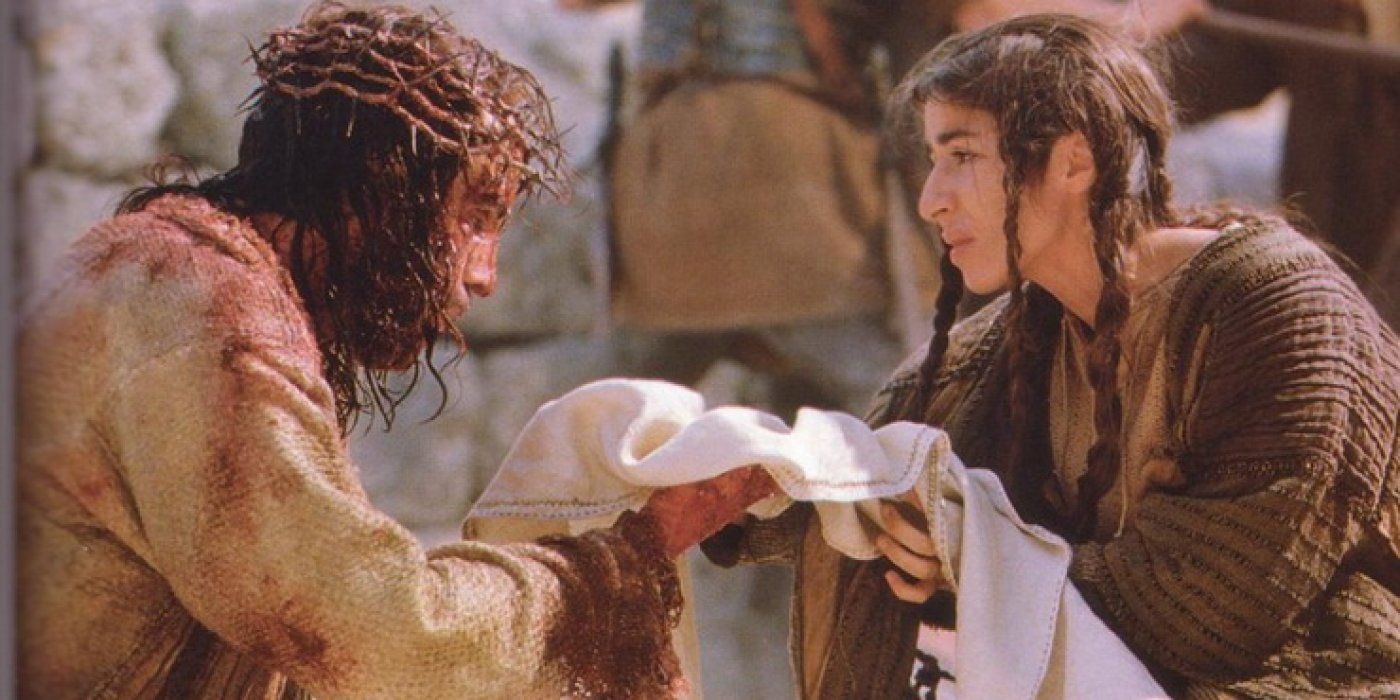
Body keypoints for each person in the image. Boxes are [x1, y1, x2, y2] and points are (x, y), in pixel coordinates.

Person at [17, 3, 764, 696]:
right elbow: (381, 635)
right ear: (379, 190)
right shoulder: (204, 320)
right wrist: (622, 563)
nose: (485, 276)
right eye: (475, 217)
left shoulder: (192, 286)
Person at [702, 14, 1399, 697]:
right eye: (934, 160)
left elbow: (1219, 604)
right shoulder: (1022, 336)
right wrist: (736, 489)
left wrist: (974, 559)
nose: (930, 200)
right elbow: (882, 474)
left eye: (962, 157)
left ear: (1073, 161)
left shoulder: (1277, 307)